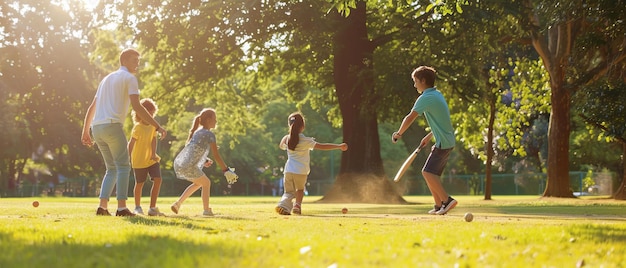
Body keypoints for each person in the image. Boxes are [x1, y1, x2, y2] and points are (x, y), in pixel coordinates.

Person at [81, 48, 167, 217]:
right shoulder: (130, 78)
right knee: (123, 166)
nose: (138, 64)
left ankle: (102, 207)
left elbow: (93, 106)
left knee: (111, 168)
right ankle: (121, 208)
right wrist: (157, 126)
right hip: (112, 126)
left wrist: (85, 131)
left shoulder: (106, 79)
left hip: (97, 128)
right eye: (135, 60)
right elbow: (137, 106)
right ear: (125, 60)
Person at [392, 66, 457, 215]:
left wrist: (398, 134)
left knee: (428, 173)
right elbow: (441, 121)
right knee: (430, 173)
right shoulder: (436, 95)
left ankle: (447, 201)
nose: (414, 85)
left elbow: (410, 117)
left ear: (423, 80)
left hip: (443, 142)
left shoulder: (425, 98)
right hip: (446, 140)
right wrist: (429, 136)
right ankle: (438, 204)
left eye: (415, 81)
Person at [275, 112, 348, 215]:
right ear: (303, 126)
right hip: (301, 171)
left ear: (289, 125)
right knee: (300, 189)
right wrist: (339, 146)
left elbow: (281, 145)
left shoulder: (287, 139)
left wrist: (285, 137)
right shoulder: (306, 141)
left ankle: (283, 205)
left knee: (288, 192)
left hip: (288, 171)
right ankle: (297, 205)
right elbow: (322, 146)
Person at [171, 108, 238, 216]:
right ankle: (206, 210)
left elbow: (194, 151)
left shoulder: (198, 132)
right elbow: (216, 155)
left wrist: (205, 160)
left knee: (198, 183)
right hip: (189, 166)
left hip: (180, 164)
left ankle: (177, 204)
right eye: (214, 119)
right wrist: (226, 170)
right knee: (206, 183)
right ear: (208, 120)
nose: (216, 121)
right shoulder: (209, 134)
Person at [128, 98, 165, 216]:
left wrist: (153, 154)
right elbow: (131, 143)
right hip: (139, 160)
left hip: (151, 159)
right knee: (139, 184)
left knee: (158, 179)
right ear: (141, 114)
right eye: (150, 113)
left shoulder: (153, 126)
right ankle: (137, 207)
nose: (152, 116)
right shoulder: (137, 127)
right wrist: (126, 157)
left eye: (153, 114)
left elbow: (153, 140)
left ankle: (152, 208)